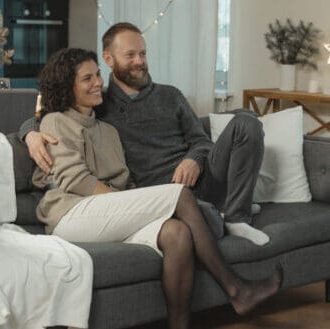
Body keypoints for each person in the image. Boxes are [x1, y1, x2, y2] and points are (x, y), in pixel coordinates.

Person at [34, 47, 281, 329]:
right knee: (179, 195)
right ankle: (237, 289)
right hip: (71, 214)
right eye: (86, 78)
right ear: (67, 86)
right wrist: (128, 204)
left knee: (177, 233)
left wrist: (130, 206)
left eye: (97, 76)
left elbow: (126, 181)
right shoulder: (55, 121)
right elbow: (76, 180)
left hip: (107, 213)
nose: (98, 83)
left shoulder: (107, 130)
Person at [22, 22, 270, 246]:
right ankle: (219, 213)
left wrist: (193, 158)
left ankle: (236, 217)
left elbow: (201, 141)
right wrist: (30, 134)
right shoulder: (99, 102)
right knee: (203, 220)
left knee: (246, 122)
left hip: (202, 181)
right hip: (157, 196)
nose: (139, 61)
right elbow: (54, 117)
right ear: (109, 58)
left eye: (142, 53)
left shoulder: (171, 95)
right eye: (130, 55)